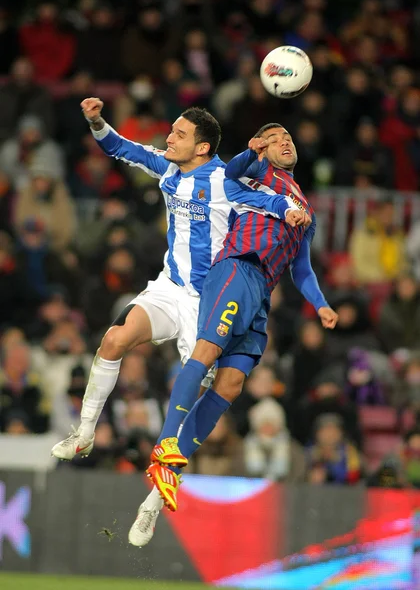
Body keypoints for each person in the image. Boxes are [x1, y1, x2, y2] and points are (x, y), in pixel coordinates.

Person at [50, 101, 306, 544]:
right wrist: (96, 121)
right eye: (171, 131)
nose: (168, 139)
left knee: (201, 399)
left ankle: (151, 505)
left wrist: (291, 211)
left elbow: (270, 199)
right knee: (113, 340)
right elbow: (121, 148)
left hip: (210, 301)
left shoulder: (225, 180)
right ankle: (85, 433)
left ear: (202, 147)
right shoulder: (168, 169)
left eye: (178, 134)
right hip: (169, 288)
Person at [140, 123, 338, 541]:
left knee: (229, 387)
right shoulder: (255, 174)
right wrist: (251, 153)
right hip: (236, 268)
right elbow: (229, 177)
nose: (285, 140)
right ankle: (164, 444)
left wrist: (320, 304)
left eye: (289, 136)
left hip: (262, 293)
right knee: (206, 351)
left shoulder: (304, 207)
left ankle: (167, 476)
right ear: (262, 148)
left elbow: (300, 268)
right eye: (275, 137)